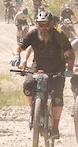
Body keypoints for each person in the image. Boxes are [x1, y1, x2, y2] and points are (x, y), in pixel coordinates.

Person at [9, 10, 74, 139]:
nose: (43, 28)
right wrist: (17, 55)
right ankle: (33, 107)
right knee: (27, 85)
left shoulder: (59, 35)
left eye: (46, 24)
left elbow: (69, 52)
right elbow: (20, 46)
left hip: (56, 68)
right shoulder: (33, 34)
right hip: (38, 66)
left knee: (57, 96)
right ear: (37, 24)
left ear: (51, 24)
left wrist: (70, 68)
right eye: (40, 24)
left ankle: (55, 127)